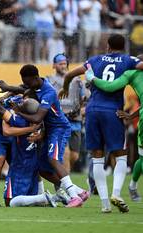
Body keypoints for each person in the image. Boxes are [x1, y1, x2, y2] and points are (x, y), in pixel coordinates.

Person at [61, 34, 143, 213]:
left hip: (92, 110)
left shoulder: (94, 59)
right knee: (120, 155)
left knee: (97, 157)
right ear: (124, 46)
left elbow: (69, 74)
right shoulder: (128, 60)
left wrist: (65, 87)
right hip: (112, 111)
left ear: (107, 46)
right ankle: (116, 193)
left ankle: (105, 204)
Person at [10, 64, 88, 208]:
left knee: (53, 159)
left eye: (28, 82)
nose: (27, 86)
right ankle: (80, 191)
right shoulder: (36, 84)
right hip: (50, 130)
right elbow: (23, 89)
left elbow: (38, 118)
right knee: (43, 169)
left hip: (59, 128)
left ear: (35, 78)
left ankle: (74, 197)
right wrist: (8, 88)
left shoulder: (49, 92)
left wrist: (18, 111)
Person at [0, 70, 57, 208]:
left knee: (22, 161)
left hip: (12, 131)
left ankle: (41, 194)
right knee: (0, 158)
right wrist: (33, 130)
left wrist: (40, 133)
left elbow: (9, 127)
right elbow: (6, 129)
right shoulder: (19, 105)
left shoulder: (26, 111)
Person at [85, 57, 143, 202]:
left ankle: (107, 201)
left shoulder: (99, 62)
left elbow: (108, 86)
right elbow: (110, 87)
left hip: (95, 109)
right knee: (129, 156)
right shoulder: (132, 73)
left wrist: (91, 77)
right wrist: (131, 115)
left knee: (98, 156)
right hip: (111, 111)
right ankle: (130, 187)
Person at [47, 53, 85, 173]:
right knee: (65, 153)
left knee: (75, 156)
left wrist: (83, 109)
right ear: (54, 65)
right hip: (59, 121)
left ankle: (61, 175)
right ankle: (66, 187)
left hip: (75, 121)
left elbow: (85, 99)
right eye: (60, 64)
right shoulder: (49, 81)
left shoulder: (77, 81)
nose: (63, 66)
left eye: (65, 63)